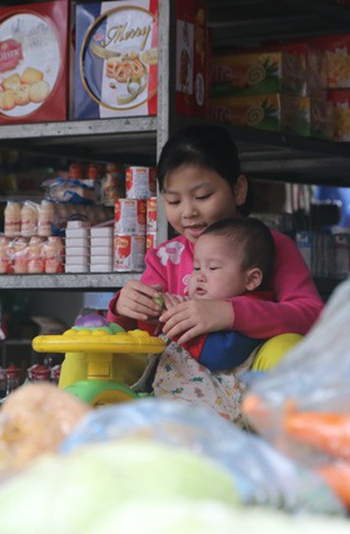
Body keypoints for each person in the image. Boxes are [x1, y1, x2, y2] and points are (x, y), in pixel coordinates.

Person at [105, 124, 323, 421]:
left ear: (238, 189)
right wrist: (123, 308)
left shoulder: (273, 247)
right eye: (174, 201)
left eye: (203, 196)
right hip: (176, 389)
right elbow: (137, 333)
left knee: (287, 349)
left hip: (251, 392)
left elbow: (311, 315)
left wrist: (229, 314)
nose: (188, 212)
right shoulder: (165, 258)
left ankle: (279, 455)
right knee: (92, 351)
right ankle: (81, 450)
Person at [163, 217, 275, 373]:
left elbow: (221, 355)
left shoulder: (254, 310)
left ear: (251, 279)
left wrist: (178, 328)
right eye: (196, 267)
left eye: (213, 268)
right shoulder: (197, 300)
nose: (199, 276)